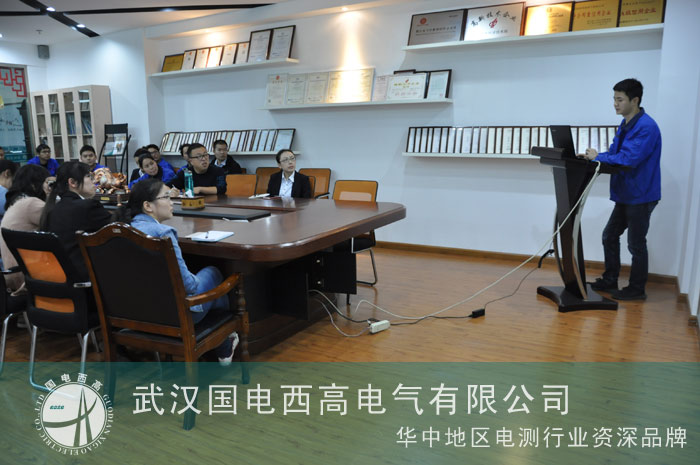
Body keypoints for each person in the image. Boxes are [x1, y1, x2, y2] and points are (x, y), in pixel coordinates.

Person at [114, 178, 238, 364]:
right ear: (148, 206)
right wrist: (194, 276)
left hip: (135, 314)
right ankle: (221, 344)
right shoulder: (163, 233)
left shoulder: (120, 230)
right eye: (166, 197)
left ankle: (220, 344)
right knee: (213, 273)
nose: (172, 201)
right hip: (174, 317)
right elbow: (188, 286)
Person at [582, 78, 661, 301]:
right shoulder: (626, 123)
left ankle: (637, 289)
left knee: (636, 244)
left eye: (620, 100)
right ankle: (610, 279)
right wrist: (595, 157)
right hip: (627, 193)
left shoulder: (646, 127)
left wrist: (598, 157)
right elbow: (615, 153)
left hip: (641, 195)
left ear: (635, 100)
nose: (615, 104)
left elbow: (628, 159)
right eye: (614, 99)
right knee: (609, 235)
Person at [40, 161, 114, 282]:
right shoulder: (87, 206)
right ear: (73, 182)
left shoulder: (53, 209)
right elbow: (117, 229)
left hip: (60, 278)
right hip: (87, 279)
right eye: (89, 176)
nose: (94, 181)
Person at [0, 165, 52, 293]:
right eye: (46, 182)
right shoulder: (31, 203)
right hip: (27, 277)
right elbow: (59, 223)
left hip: (13, 273)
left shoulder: (17, 201)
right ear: (34, 185)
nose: (49, 187)